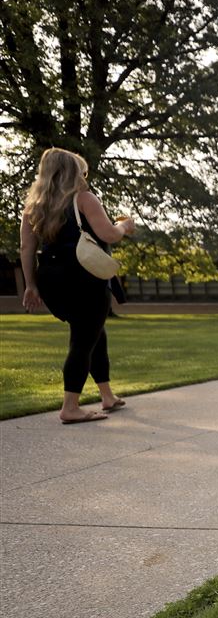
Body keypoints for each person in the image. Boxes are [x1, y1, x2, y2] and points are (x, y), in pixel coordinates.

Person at [19, 148, 137, 424]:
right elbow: (108, 233)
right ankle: (70, 407)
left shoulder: (34, 206)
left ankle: (107, 395)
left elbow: (26, 247)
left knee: (93, 331)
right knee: (83, 339)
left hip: (50, 278)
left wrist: (30, 285)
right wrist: (124, 226)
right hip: (83, 275)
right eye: (82, 171)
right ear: (73, 172)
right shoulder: (84, 199)